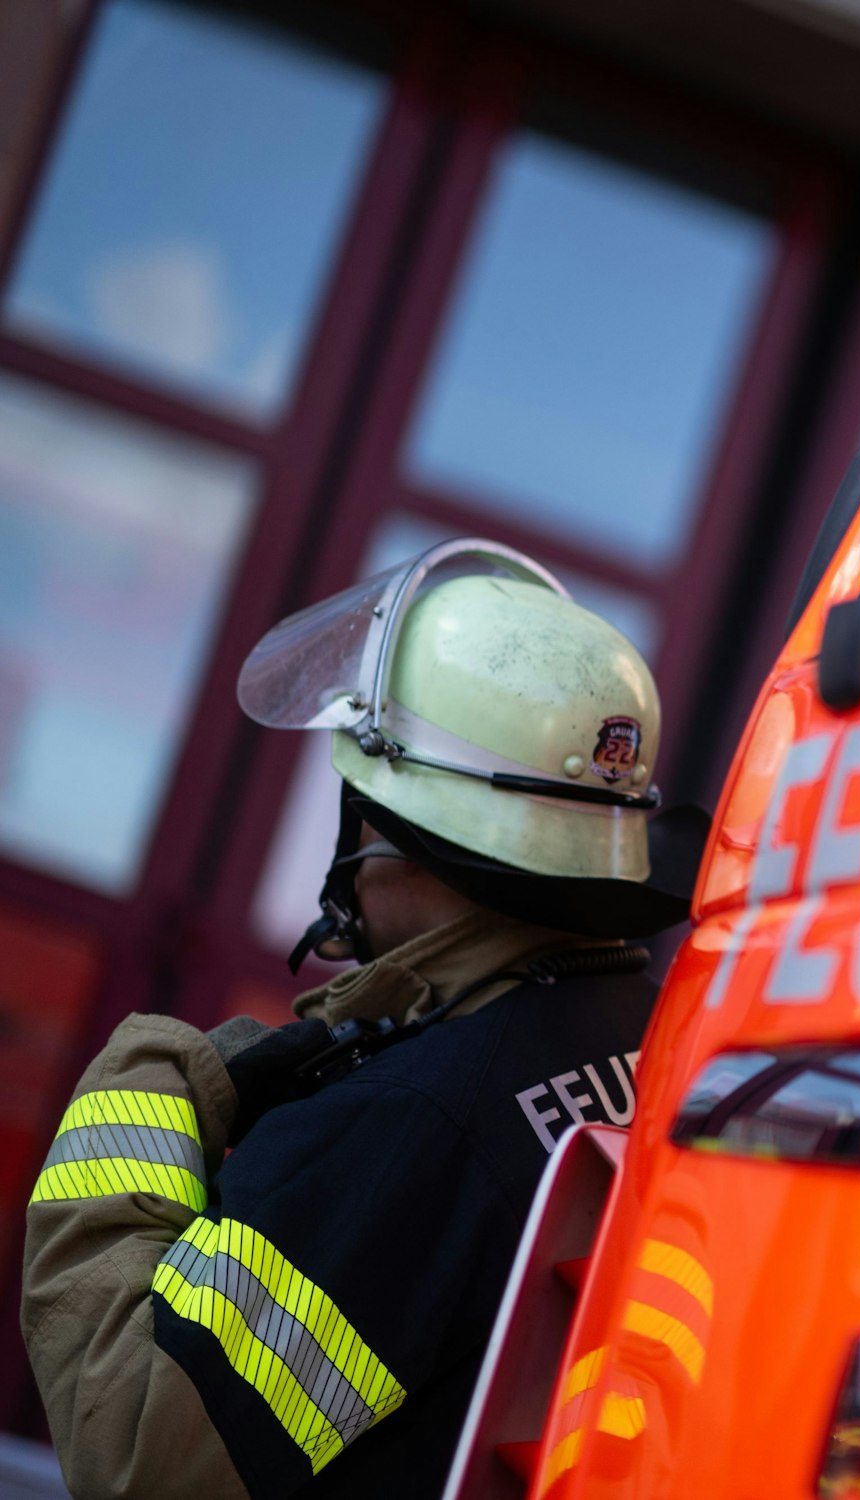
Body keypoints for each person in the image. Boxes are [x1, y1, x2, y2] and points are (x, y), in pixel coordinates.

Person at [20, 540, 701, 1500]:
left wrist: (149, 1077)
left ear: (406, 840)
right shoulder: (653, 1034)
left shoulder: (407, 1124)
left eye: (361, 806)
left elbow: (134, 1453)